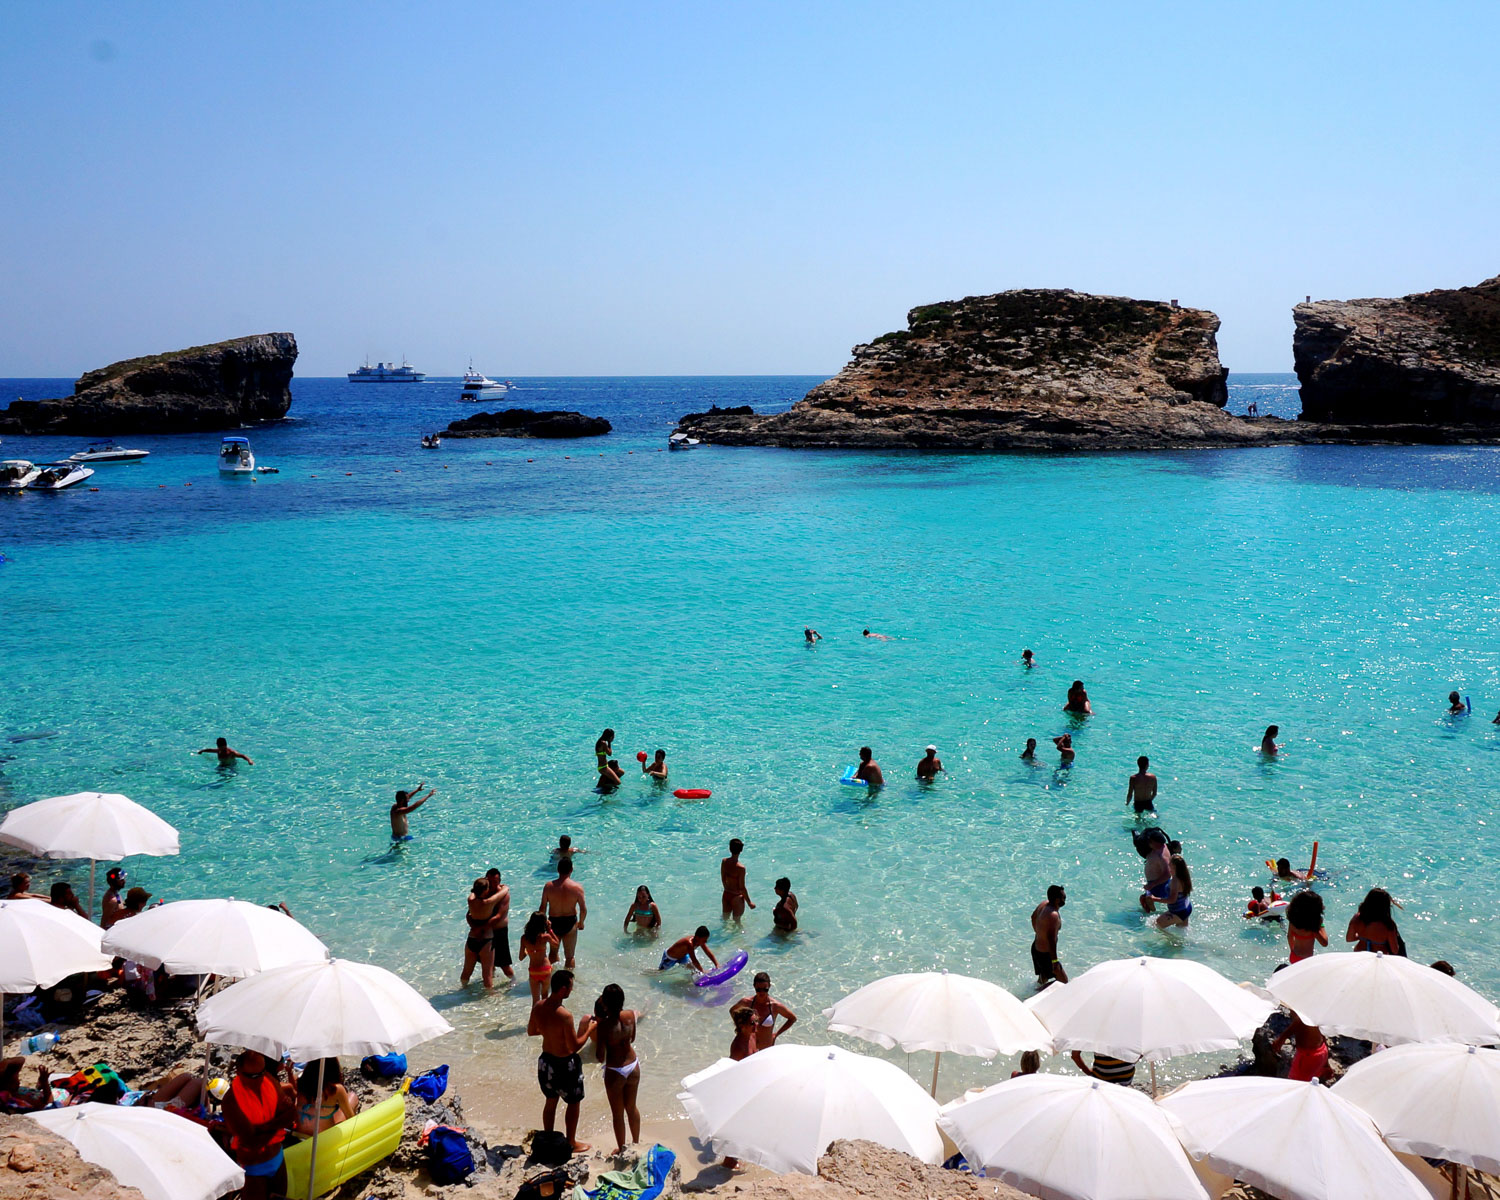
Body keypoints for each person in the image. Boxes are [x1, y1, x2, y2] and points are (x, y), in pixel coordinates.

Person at [528, 969, 595, 1155]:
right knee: (573, 1103)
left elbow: (531, 1031)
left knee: (550, 1101)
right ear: (563, 989)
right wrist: (589, 1029)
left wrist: (549, 1031)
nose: (572, 990)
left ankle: (549, 1139)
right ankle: (571, 1142)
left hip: (546, 1062)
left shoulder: (538, 1006)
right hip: (565, 1064)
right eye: (571, 987)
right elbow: (574, 1046)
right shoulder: (565, 1015)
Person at [222, 1050, 297, 1200]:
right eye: (253, 1076)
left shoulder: (268, 1080)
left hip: (277, 1158)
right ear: (239, 1073)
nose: (258, 1079)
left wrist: (263, 1128)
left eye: (261, 1072)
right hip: (253, 1167)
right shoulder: (231, 1100)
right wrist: (278, 1123)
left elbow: (292, 1114)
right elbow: (252, 1143)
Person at [591, 983, 641, 1157]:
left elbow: (600, 1056)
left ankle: (622, 1148)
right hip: (633, 1065)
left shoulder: (603, 1026)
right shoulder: (631, 1015)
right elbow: (632, 1038)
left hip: (616, 1070)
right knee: (631, 1107)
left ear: (605, 1002)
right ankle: (636, 1143)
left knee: (618, 1114)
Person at [541, 856, 587, 967]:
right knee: (570, 956)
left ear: (558, 869)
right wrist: (581, 922)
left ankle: (551, 975)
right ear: (571, 870)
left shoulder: (548, 886)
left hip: (553, 923)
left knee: (553, 953)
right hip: (570, 922)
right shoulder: (577, 888)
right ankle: (569, 977)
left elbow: (542, 907)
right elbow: (583, 909)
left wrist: (543, 923)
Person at [294, 1058, 358, 1135]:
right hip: (323, 1137)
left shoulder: (299, 1082)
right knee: (352, 1097)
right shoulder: (336, 1089)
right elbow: (350, 1117)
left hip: (299, 1133)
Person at [735, 972, 797, 1050]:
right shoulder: (747, 1002)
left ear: (769, 986)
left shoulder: (775, 1006)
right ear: (754, 986)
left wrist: (776, 1034)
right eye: (758, 989)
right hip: (749, 1047)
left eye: (765, 989)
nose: (762, 992)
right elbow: (733, 1011)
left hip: (766, 1048)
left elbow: (792, 1019)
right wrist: (740, 1029)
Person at [461, 878, 500, 989]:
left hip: (472, 938)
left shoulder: (471, 901)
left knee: (466, 972)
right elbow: (504, 890)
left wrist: (479, 886)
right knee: (487, 975)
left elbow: (472, 894)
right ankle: (490, 997)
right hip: (486, 940)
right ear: (485, 890)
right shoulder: (489, 902)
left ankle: (463, 990)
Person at [1272, 1009, 1329, 1082]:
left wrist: (1281, 1039)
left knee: (1297, 1083)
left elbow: (1300, 1020)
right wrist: (1326, 1063)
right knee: (1309, 1080)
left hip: (1309, 1056)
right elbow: (1323, 1034)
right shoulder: (1314, 1014)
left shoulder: (1302, 1016)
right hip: (1321, 1050)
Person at [1347, 887, 1405, 955]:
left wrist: (1362, 936)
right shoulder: (1388, 924)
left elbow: (1349, 939)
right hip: (1378, 957)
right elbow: (1395, 950)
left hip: (1360, 954)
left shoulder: (1357, 918)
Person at [1030, 885, 1068, 986]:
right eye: (1063, 897)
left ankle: (1032, 991)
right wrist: (1055, 961)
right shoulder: (1053, 915)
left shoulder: (1043, 904)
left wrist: (1039, 933)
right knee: (1063, 982)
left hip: (1036, 948)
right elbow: (1051, 940)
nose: (1065, 899)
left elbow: (1033, 916)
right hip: (1045, 954)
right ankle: (1037, 992)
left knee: (1043, 978)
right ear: (1057, 900)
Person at [519, 911, 559, 1005]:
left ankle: (534, 1015)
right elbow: (556, 944)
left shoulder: (524, 938)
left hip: (533, 971)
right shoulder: (545, 937)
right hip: (545, 969)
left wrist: (528, 951)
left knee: (535, 1001)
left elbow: (521, 957)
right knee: (545, 998)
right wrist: (550, 930)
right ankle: (545, 1015)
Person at [483, 867, 515, 981]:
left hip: (499, 932)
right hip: (487, 932)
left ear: (499, 881)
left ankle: (514, 981)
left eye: (495, 882)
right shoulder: (484, 892)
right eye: (489, 881)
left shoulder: (504, 895)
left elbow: (499, 916)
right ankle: (490, 982)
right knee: (487, 963)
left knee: (504, 965)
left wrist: (480, 928)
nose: (492, 884)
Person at [1286, 890, 1327, 963]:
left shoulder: (1293, 922)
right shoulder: (1312, 928)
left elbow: (1289, 937)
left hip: (1293, 956)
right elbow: (1324, 943)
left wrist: (1292, 950)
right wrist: (1321, 925)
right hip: (1305, 960)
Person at [1155, 854, 1193, 929]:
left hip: (1179, 911)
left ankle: (1170, 937)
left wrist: (1154, 899)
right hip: (1186, 907)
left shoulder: (1175, 880)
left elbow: (1172, 900)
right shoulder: (1183, 877)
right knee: (1181, 932)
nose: (1168, 864)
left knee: (1158, 924)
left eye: (1169, 863)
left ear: (1173, 866)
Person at [1138, 829, 1172, 912]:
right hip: (1159, 883)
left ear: (1156, 842)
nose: (1148, 843)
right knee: (1146, 900)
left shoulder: (1161, 856)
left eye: (1150, 842)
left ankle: (1151, 913)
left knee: (1145, 900)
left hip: (1159, 885)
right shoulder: (1163, 847)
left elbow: (1168, 874)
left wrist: (1152, 884)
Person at [720, 838, 755, 919]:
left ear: (730, 849)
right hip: (736, 896)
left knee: (725, 918)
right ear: (741, 850)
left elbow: (723, 878)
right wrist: (749, 902)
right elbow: (742, 887)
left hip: (726, 894)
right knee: (737, 921)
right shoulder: (741, 868)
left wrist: (726, 889)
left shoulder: (724, 861)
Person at [1071, 1051, 1136, 1085]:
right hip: (1126, 1076)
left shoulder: (1091, 1031)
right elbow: (1141, 1051)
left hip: (1101, 1077)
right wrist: (1132, 1063)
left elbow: (1075, 1055)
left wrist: (1089, 1073)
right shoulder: (1129, 1031)